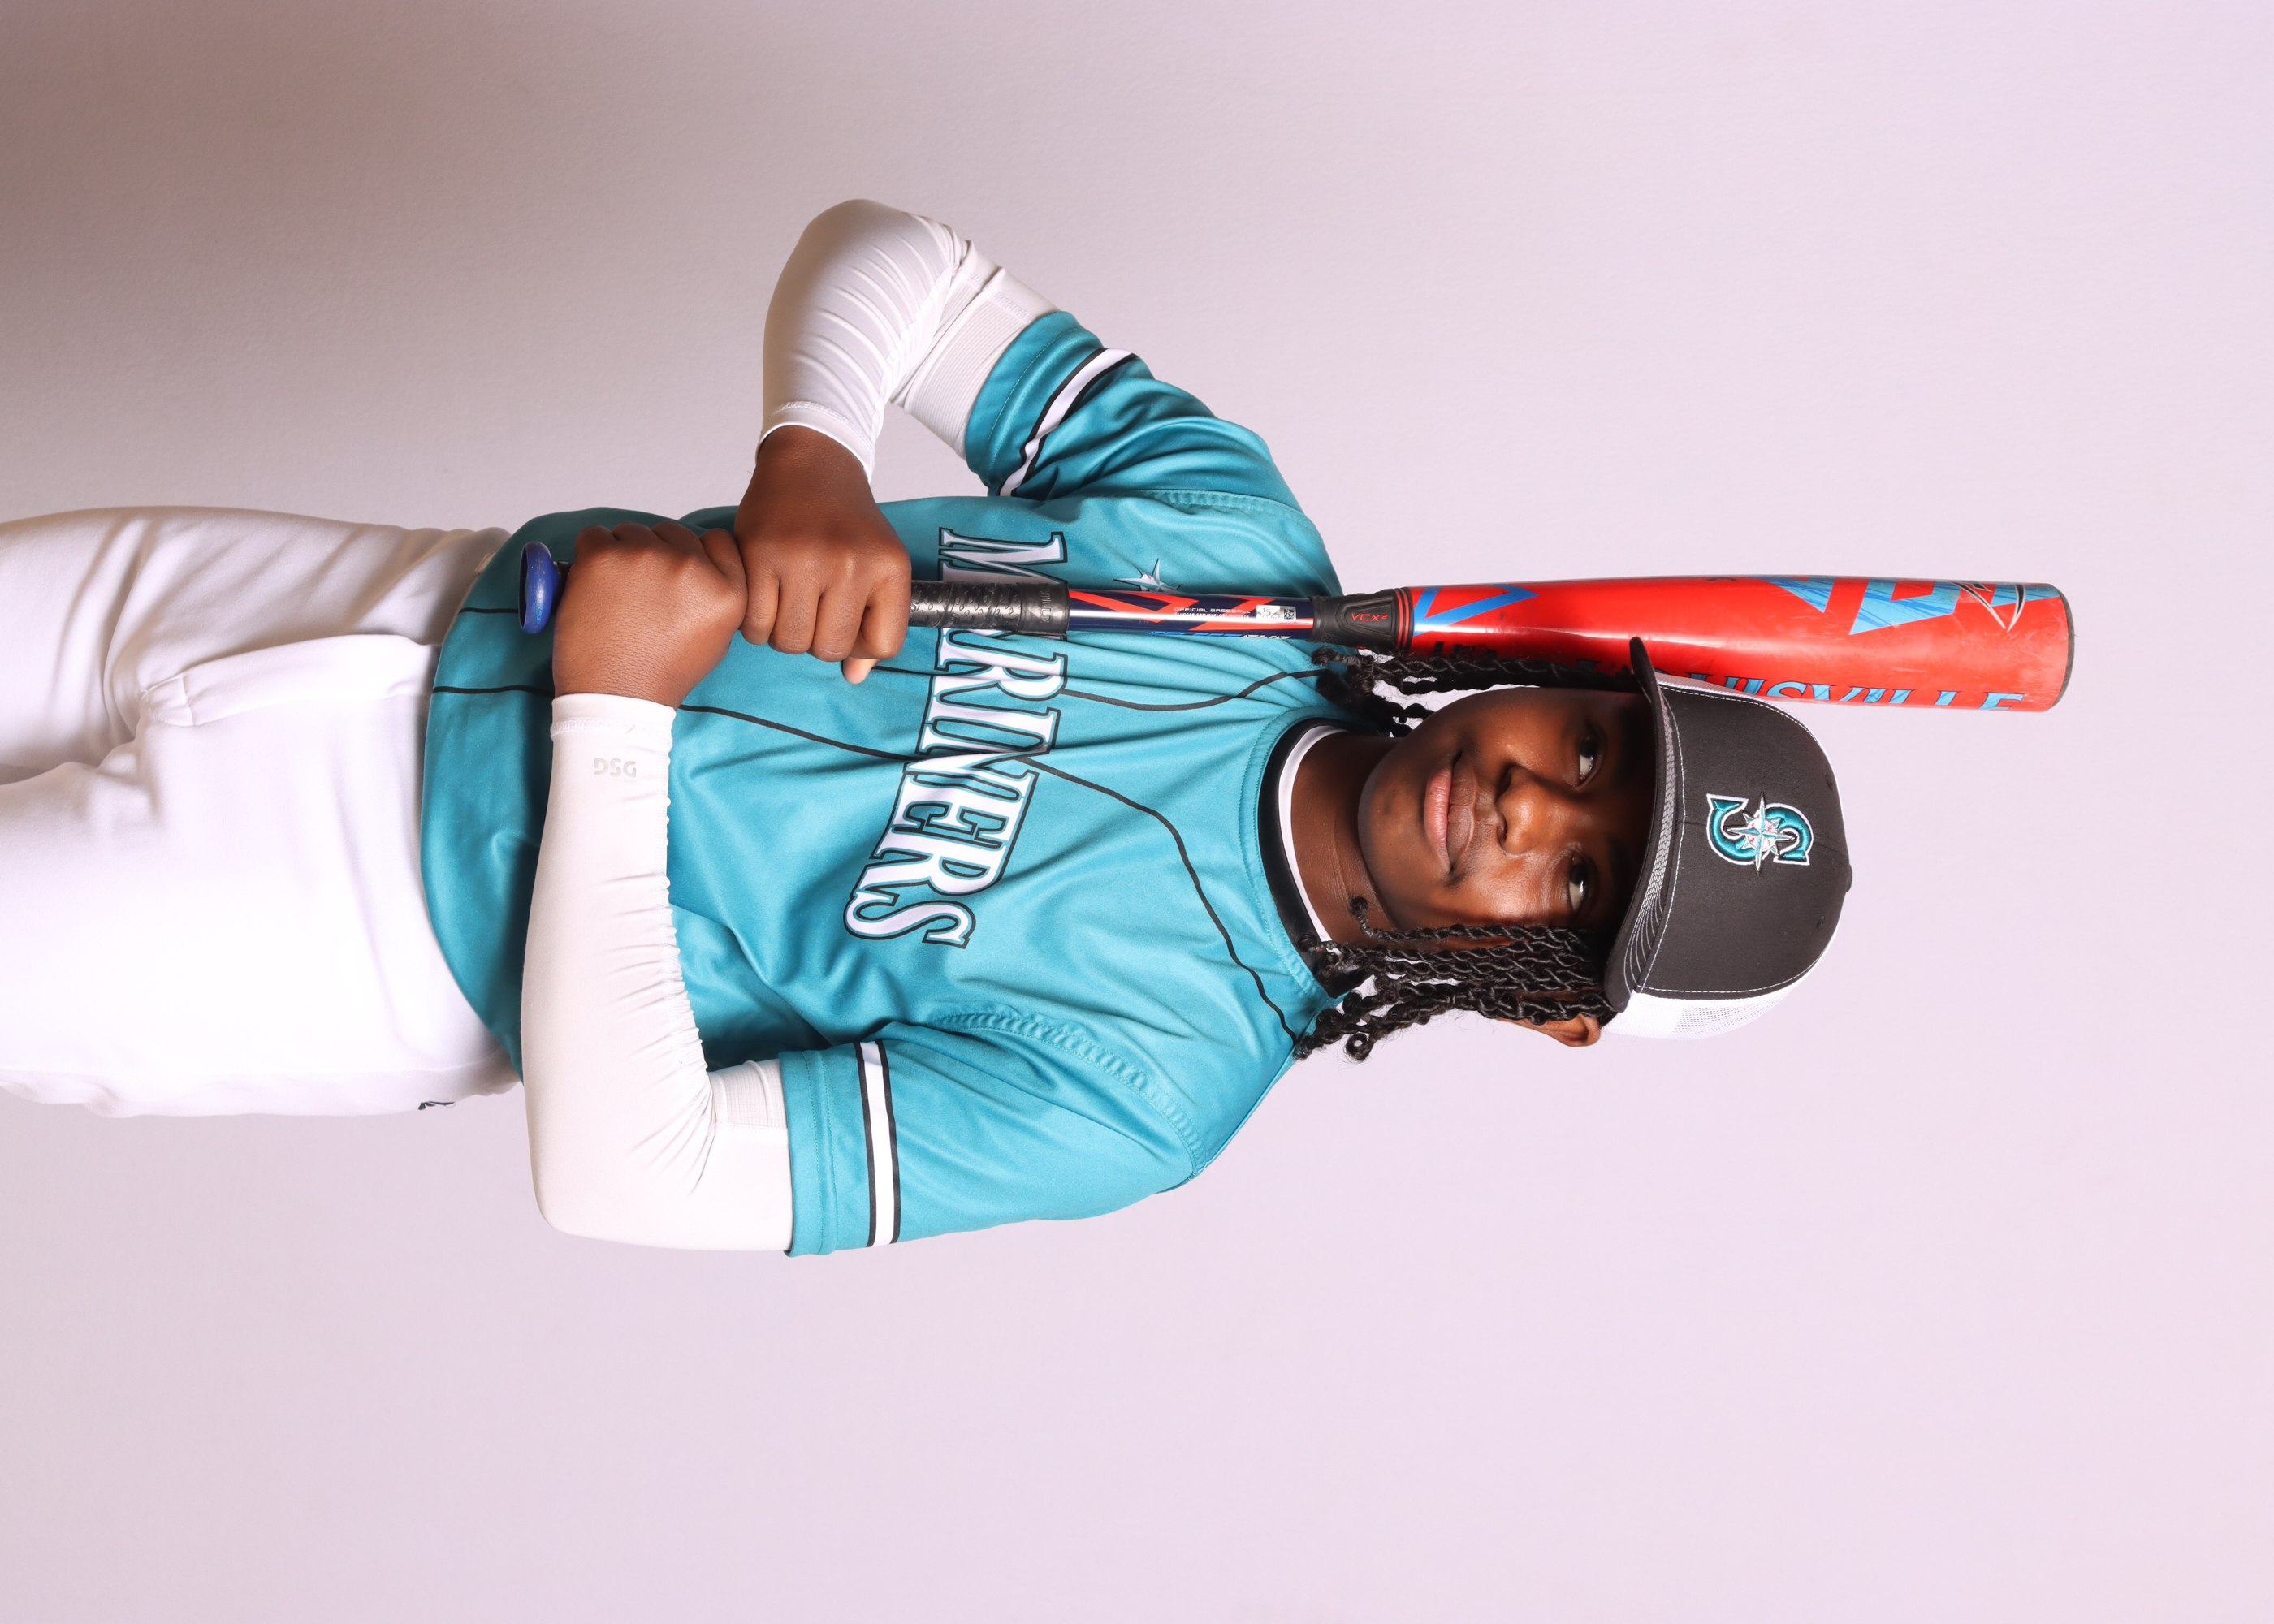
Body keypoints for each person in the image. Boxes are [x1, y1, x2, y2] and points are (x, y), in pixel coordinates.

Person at [0, 201, 1852, 1255]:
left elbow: (636, 1175)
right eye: (1591, 754)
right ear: (1559, 684)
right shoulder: (1239, 552)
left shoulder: (1149, 1090)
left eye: (1578, 878)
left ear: (1546, 1001)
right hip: (361, 592)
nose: (1526, 802)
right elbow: (891, 257)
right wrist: (811, 453)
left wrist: (616, 724)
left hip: (337, 925)